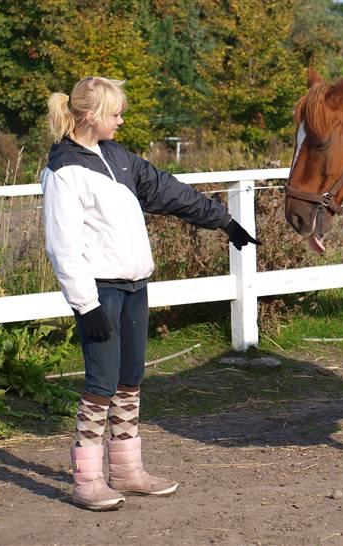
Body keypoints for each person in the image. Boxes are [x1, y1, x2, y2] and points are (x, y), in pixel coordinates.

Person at [42, 76, 259, 511]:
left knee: (129, 381)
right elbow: (61, 244)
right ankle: (86, 479)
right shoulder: (64, 170)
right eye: (115, 113)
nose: (121, 119)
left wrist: (221, 220)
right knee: (100, 384)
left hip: (136, 285)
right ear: (89, 116)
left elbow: (168, 191)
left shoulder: (118, 157)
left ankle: (126, 470)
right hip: (100, 291)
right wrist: (86, 306)